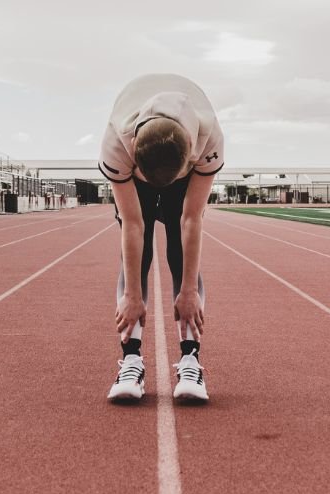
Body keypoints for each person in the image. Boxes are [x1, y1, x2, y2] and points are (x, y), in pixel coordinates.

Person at [101, 74, 224, 401]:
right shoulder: (116, 143)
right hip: (137, 169)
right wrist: (133, 295)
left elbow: (191, 219)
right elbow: (133, 222)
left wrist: (187, 292)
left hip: (183, 174)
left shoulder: (209, 140)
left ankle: (190, 360)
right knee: (135, 263)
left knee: (179, 253)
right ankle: (130, 360)